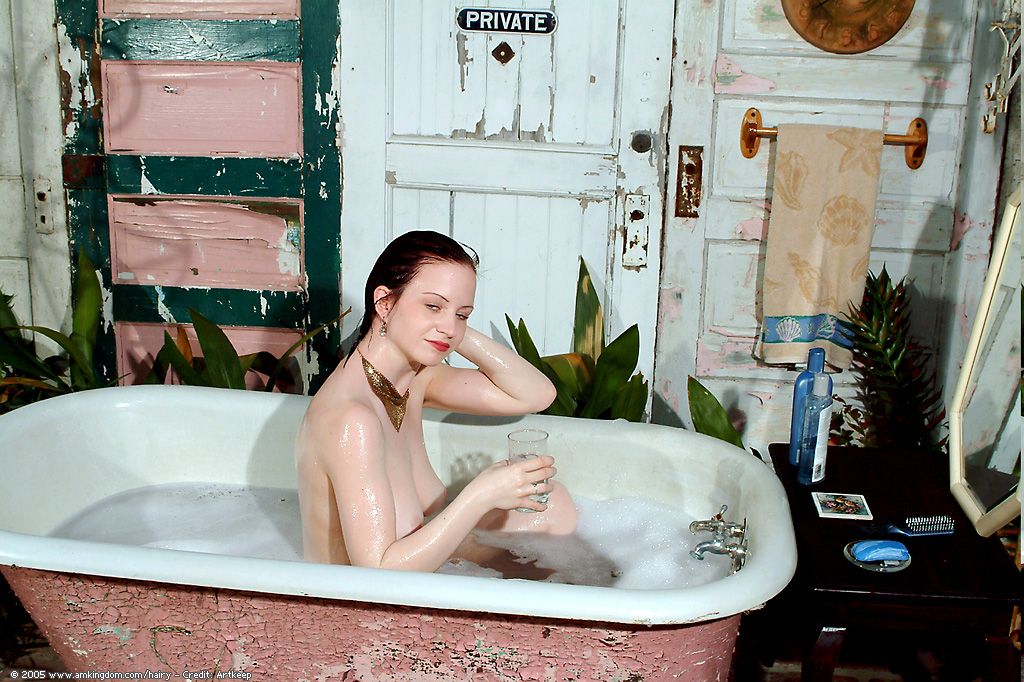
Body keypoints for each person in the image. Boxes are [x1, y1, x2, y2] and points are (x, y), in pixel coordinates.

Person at [294, 230, 578, 574]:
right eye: (432, 305)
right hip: (361, 597)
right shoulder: (350, 420)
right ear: (385, 303)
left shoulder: (415, 379)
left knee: (554, 504)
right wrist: (480, 495)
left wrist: (446, 327)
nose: (450, 327)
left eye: (463, 314)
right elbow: (377, 572)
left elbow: (535, 394)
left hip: (422, 573)